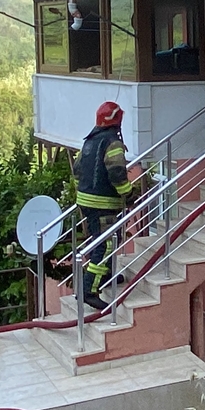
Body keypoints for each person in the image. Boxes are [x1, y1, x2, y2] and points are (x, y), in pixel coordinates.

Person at [73, 101, 136, 311]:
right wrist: (128, 194)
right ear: (116, 120)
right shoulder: (112, 143)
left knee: (106, 239)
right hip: (104, 203)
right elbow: (117, 172)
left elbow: (77, 170)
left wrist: (82, 194)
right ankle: (88, 290)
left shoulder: (89, 142)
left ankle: (107, 275)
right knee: (104, 244)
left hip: (86, 201)